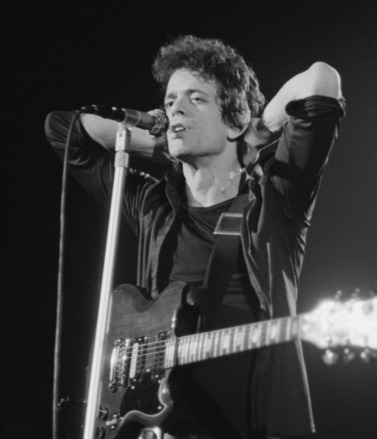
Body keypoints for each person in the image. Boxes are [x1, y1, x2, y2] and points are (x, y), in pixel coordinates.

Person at [45, 35, 345, 439]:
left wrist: (256, 132)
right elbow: (62, 129)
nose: (175, 110)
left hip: (250, 426)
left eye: (196, 99)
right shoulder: (153, 203)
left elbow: (321, 80)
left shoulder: (276, 198)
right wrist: (156, 143)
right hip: (159, 426)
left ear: (233, 120)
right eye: (169, 102)